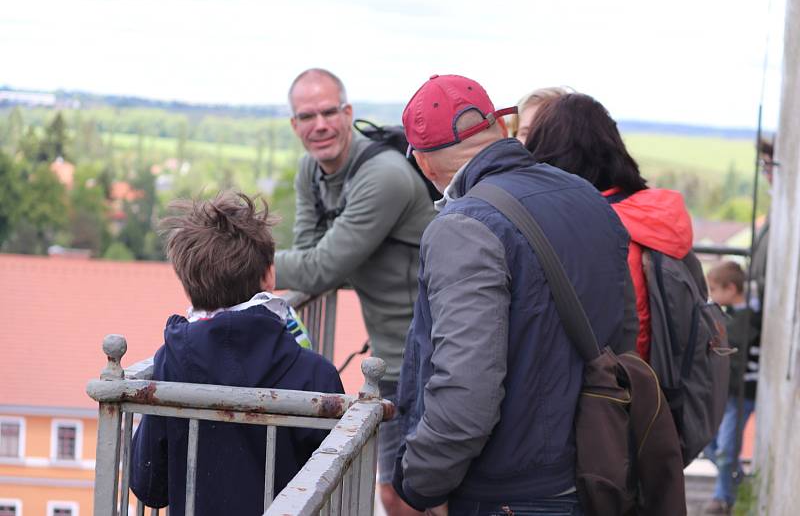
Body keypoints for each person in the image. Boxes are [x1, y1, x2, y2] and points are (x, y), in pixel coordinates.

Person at [393, 74, 635, 516]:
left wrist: (418, 483)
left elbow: (467, 391)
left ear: (425, 165)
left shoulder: (462, 226)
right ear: (501, 129)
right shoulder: (588, 198)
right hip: (599, 470)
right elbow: (624, 332)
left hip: (508, 491)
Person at [275, 68, 435, 515]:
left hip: (425, 354)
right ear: (295, 125)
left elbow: (321, 268)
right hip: (392, 356)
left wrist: (247, 268)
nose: (319, 124)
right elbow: (308, 254)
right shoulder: (313, 170)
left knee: (408, 494)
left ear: (348, 113)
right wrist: (297, 266)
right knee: (407, 491)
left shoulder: (382, 176)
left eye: (329, 112)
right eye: (307, 116)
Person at [130, 192, 344, 516]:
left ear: (189, 286)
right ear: (269, 276)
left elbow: (149, 486)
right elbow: (335, 493)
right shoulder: (317, 376)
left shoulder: (172, 362)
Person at [524, 93, 693, 363]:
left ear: (546, 151)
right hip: (658, 388)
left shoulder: (594, 231)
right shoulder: (650, 216)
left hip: (614, 394)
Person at [702, 261, 760, 514]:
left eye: (714, 289)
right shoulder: (731, 316)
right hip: (726, 394)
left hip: (740, 394)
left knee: (726, 449)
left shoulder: (748, 319)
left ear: (731, 288)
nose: (711, 295)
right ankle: (738, 481)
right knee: (708, 443)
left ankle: (722, 498)